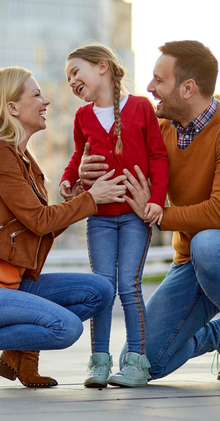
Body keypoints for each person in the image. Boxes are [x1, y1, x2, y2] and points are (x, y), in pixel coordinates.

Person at [78, 40, 220, 388]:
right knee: (145, 362)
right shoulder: (160, 131)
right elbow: (122, 171)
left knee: (209, 242)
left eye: (159, 80)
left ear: (188, 88)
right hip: (192, 262)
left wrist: (156, 214)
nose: (149, 88)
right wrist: (85, 173)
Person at [0, 66, 126, 392]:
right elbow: (40, 221)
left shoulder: (22, 157)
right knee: (65, 328)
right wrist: (92, 200)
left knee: (100, 291)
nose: (47, 101)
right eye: (36, 94)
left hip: (11, 284)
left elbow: (37, 226)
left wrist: (82, 193)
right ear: (12, 107)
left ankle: (22, 354)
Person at [59, 44, 169, 388]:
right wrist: (68, 179)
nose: (71, 81)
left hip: (136, 217)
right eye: (67, 78)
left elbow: (159, 156)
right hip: (100, 218)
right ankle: (99, 362)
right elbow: (79, 154)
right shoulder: (82, 118)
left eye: (76, 72)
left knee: (129, 287)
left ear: (102, 67)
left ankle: (137, 362)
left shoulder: (140, 107)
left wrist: (157, 201)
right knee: (103, 288)